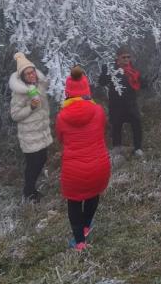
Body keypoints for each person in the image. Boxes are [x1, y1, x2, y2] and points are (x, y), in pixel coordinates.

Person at [56, 66, 111, 251]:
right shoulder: (99, 111)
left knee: (74, 203)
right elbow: (102, 129)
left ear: (67, 92)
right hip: (99, 165)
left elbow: (61, 138)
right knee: (93, 194)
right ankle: (87, 225)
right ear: (87, 90)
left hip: (73, 170)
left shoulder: (62, 117)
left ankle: (79, 242)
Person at [9, 52, 54, 203]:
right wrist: (31, 108)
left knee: (42, 159)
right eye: (27, 74)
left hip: (41, 132)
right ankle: (28, 192)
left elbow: (50, 82)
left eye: (32, 71)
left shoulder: (39, 85)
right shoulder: (20, 93)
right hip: (30, 135)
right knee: (33, 164)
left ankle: (31, 190)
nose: (31, 75)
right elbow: (15, 115)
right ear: (22, 77)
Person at [98, 46, 146, 157]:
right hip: (116, 104)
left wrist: (146, 81)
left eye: (128, 57)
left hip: (131, 104)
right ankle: (117, 149)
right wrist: (104, 72)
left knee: (136, 124)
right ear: (118, 58)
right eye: (123, 57)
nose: (126, 59)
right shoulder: (111, 69)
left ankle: (138, 148)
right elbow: (102, 82)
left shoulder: (133, 69)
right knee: (116, 126)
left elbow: (140, 82)